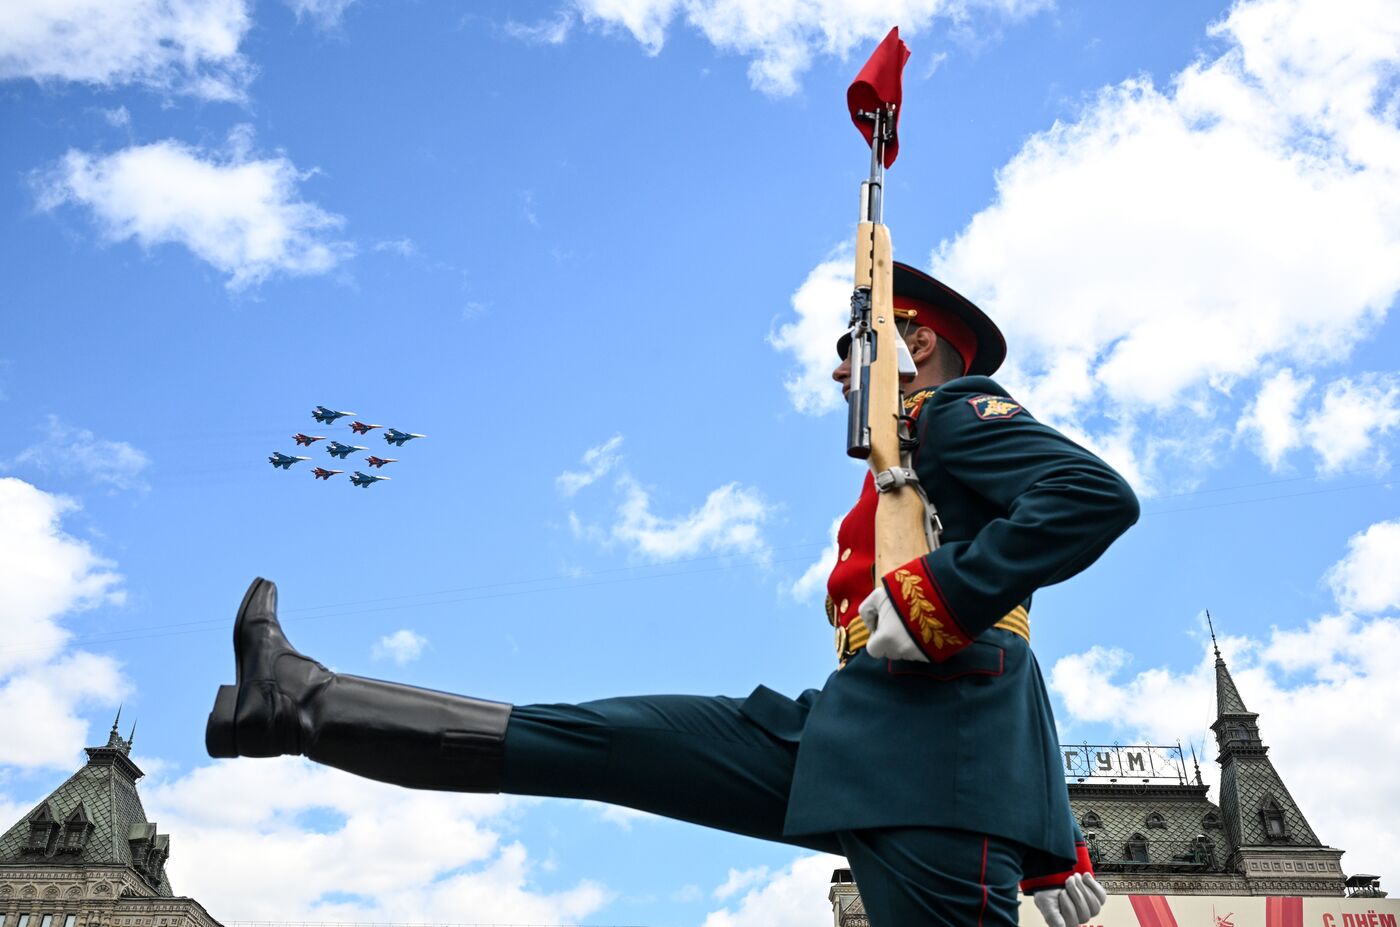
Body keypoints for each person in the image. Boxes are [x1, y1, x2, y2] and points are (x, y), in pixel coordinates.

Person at [206, 262, 1136, 927]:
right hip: (857, 732)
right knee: (602, 743)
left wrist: (940, 602)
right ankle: (298, 703)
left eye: (854, 344)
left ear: (915, 340)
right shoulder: (900, 466)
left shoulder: (951, 414)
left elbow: (1091, 501)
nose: (839, 369)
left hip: (938, 777)